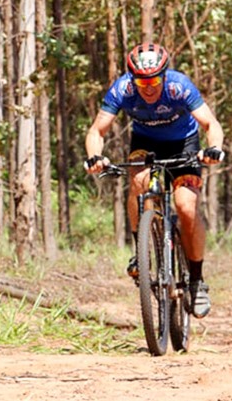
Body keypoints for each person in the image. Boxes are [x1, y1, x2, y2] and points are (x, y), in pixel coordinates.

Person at [84, 43, 224, 318]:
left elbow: (210, 124)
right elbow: (97, 130)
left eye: (154, 80)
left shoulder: (179, 87)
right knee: (138, 181)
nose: (148, 87)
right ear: (133, 80)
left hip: (184, 142)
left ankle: (196, 280)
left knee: (186, 207)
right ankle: (142, 251)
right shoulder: (122, 89)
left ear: (164, 76)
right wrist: (94, 157)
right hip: (145, 142)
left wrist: (214, 148)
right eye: (141, 82)